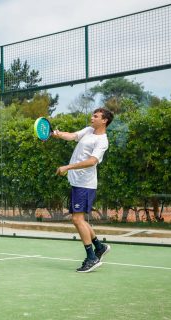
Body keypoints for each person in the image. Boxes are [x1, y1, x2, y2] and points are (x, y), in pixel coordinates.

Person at [53, 108, 113, 273]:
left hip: (85, 184)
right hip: (77, 182)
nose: (92, 118)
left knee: (77, 220)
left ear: (105, 121)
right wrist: (57, 134)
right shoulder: (88, 131)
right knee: (80, 220)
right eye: (93, 115)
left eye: (96, 116)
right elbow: (72, 135)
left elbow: (92, 161)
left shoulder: (102, 141)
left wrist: (68, 166)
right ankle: (99, 247)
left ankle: (91, 257)